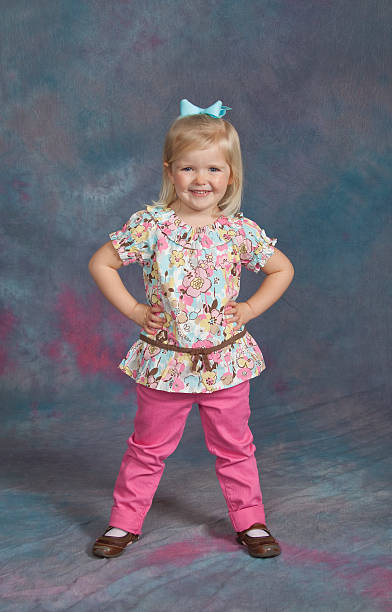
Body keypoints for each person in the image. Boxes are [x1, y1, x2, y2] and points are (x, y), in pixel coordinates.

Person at [88, 99, 294, 559]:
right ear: (170, 171)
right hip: (166, 363)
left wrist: (251, 308)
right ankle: (124, 522)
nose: (201, 180)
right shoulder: (152, 228)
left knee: (236, 447)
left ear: (230, 176)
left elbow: (282, 270)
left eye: (214, 170)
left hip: (224, 361)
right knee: (147, 447)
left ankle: (250, 520)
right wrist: (136, 311)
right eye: (188, 169)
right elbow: (101, 262)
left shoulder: (239, 232)